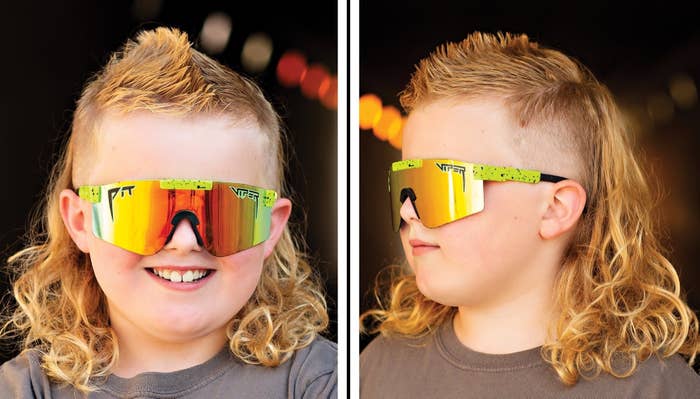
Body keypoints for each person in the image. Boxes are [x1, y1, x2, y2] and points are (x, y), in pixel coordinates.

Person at [0, 27, 336, 398]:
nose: (184, 241)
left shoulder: (326, 383)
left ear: (270, 228)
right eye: (141, 208)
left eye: (224, 209)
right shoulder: (24, 388)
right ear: (81, 221)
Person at [360, 31, 700, 398]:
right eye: (405, 184)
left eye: (443, 184)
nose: (409, 210)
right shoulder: (376, 367)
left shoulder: (654, 388)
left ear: (555, 209)